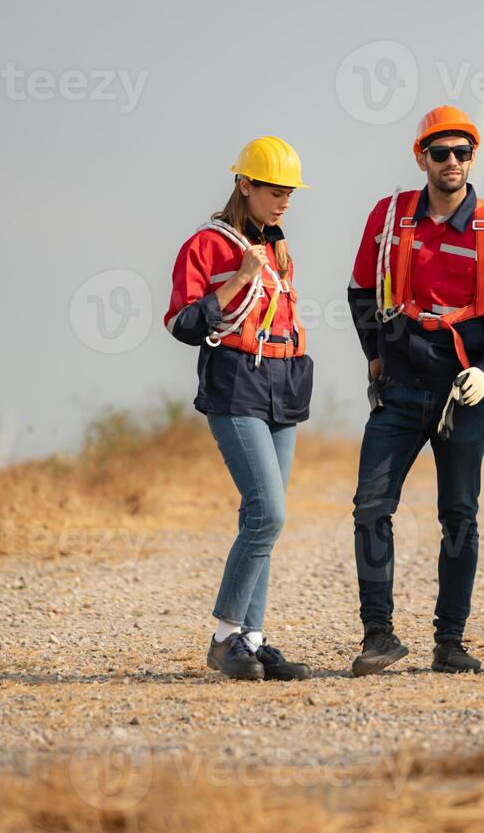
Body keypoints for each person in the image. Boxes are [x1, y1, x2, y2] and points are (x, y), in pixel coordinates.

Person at [345, 106, 484, 676]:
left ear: (473, 158)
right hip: (399, 391)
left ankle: (449, 641)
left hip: (462, 394)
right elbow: (359, 292)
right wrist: (375, 356)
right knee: (370, 507)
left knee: (460, 516)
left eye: (462, 152)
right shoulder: (389, 216)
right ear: (420, 156)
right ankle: (378, 635)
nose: (451, 162)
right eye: (440, 152)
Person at [164, 136, 314, 682]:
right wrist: (241, 278)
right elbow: (182, 324)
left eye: (290, 194)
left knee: (260, 521)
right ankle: (225, 636)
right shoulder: (206, 245)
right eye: (275, 191)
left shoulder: (277, 243)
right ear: (244, 185)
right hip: (236, 384)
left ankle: (252, 639)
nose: (284, 203)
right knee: (269, 512)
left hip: (283, 382)